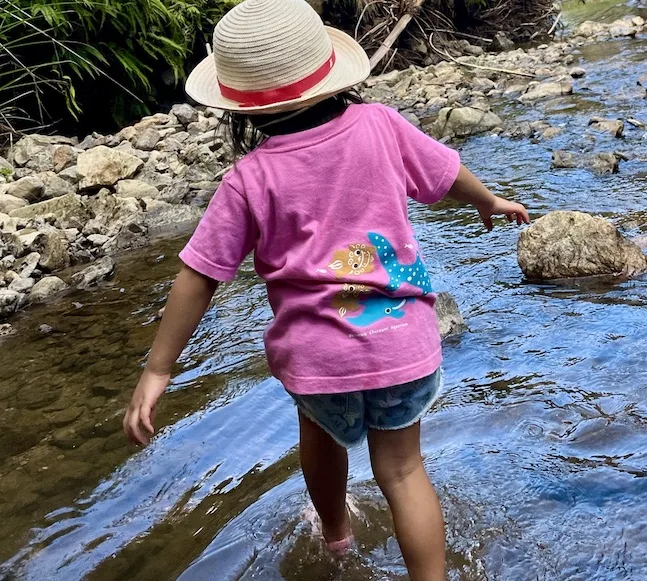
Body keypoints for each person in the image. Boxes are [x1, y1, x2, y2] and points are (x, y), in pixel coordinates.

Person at [123, 0, 530, 578]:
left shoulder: (250, 177)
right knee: (402, 471)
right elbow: (445, 174)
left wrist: (159, 369)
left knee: (319, 435)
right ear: (330, 69)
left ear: (238, 106)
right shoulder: (381, 126)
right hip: (401, 345)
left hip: (318, 357)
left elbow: (200, 273)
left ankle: (335, 537)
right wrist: (488, 200)